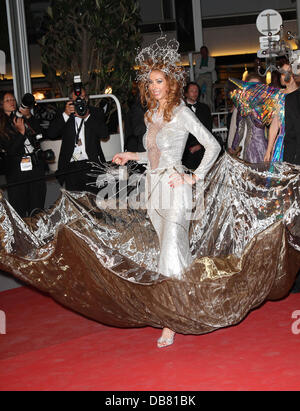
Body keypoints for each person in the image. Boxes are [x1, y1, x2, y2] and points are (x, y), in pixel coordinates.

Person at [112, 39, 221, 347]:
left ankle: (169, 320)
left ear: (171, 83)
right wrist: (131, 156)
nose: (154, 86)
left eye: (159, 81)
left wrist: (194, 178)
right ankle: (195, 303)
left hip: (176, 188)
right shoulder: (150, 116)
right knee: (171, 251)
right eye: (150, 82)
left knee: (171, 249)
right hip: (153, 190)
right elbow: (155, 156)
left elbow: (212, 145)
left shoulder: (182, 113)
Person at [47, 87, 108, 192]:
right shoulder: (63, 113)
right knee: (76, 204)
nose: (80, 101)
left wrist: (87, 117)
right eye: (76, 99)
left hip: (92, 164)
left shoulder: (95, 112)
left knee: (94, 203)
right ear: (70, 100)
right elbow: (51, 134)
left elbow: (105, 134)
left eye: (83, 98)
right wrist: (65, 115)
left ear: (87, 99)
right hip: (71, 166)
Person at [0, 91, 47, 217]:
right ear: (1, 104)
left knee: (37, 207)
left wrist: (29, 117)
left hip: (35, 166)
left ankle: (38, 233)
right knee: (20, 209)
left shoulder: (21, 117)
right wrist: (21, 133)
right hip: (17, 171)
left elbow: (40, 133)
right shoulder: (2, 125)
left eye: (13, 99)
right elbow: (11, 150)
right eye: (7, 100)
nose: (12, 102)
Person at [228, 72, 268, 163]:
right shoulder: (241, 104)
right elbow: (239, 128)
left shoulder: (266, 104)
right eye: (250, 86)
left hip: (263, 146)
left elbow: (263, 125)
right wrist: (233, 147)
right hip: (246, 146)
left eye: (256, 86)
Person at [264, 62, 298, 162]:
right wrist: (268, 151)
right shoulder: (278, 96)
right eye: (283, 73)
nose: (286, 76)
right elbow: (275, 125)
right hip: (282, 145)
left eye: (289, 72)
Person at [182, 81, 212, 170]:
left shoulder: (205, 108)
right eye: (192, 91)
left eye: (196, 91)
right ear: (186, 93)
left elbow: (208, 129)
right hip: (185, 150)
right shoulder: (180, 109)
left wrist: (200, 145)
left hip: (202, 148)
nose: (195, 93)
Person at [194, 46, 217, 110]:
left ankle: (210, 109)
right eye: (202, 51)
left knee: (209, 93)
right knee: (197, 90)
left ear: (207, 52)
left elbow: (211, 68)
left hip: (209, 76)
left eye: (204, 51)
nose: (203, 53)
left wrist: (202, 69)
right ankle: (198, 106)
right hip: (200, 76)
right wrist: (206, 69)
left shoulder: (212, 59)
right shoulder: (198, 60)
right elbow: (196, 70)